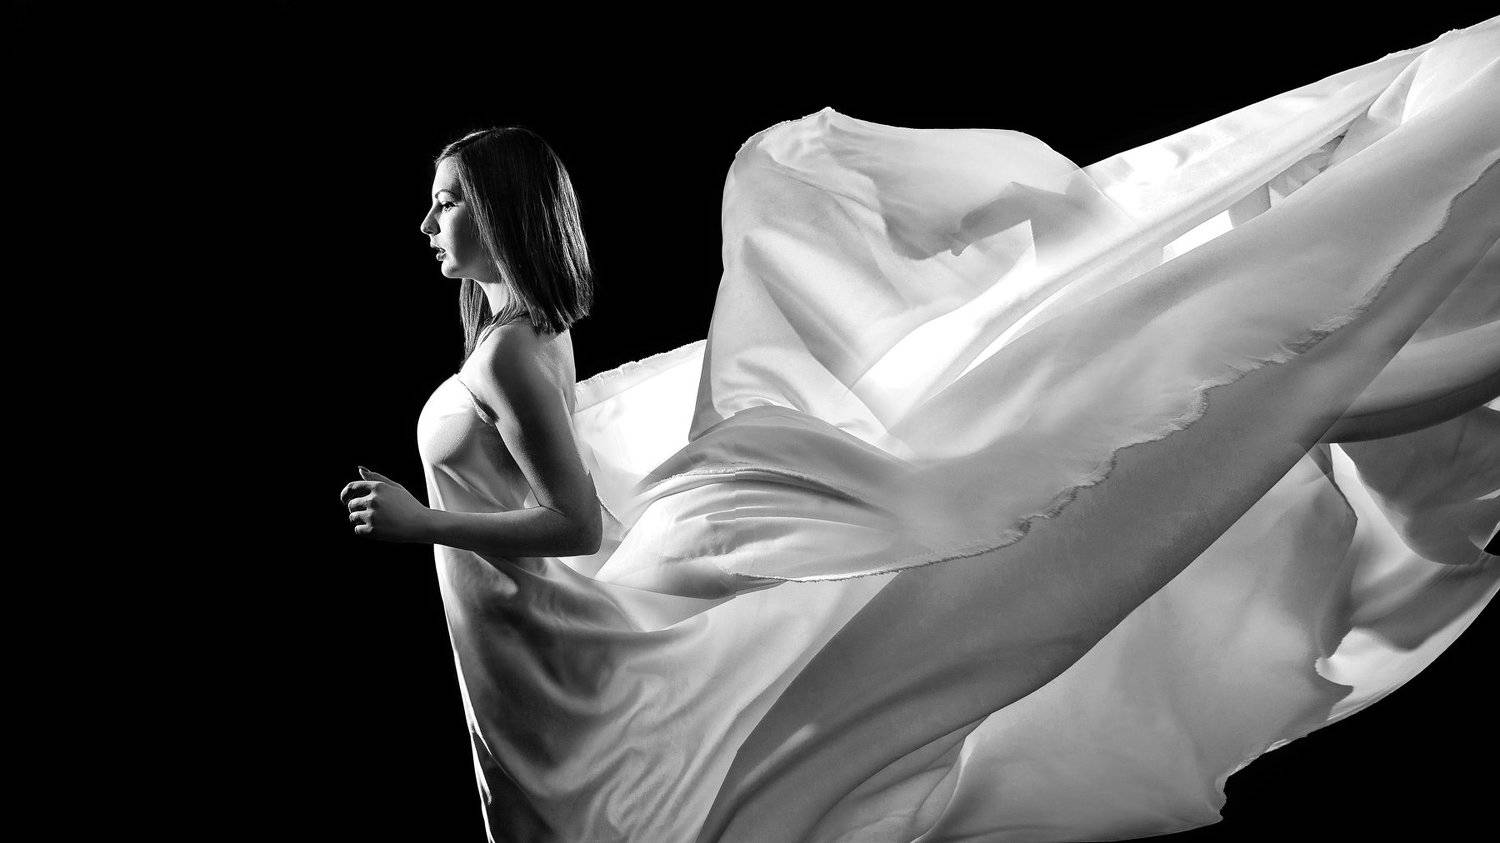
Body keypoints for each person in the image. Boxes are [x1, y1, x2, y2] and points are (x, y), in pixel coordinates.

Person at [342, 17, 1499, 842]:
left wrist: (416, 524)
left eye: (447, 202)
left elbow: (570, 522)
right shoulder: (523, 339)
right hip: (522, 643)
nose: (428, 223)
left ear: (500, 212)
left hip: (541, 637)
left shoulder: (513, 353)